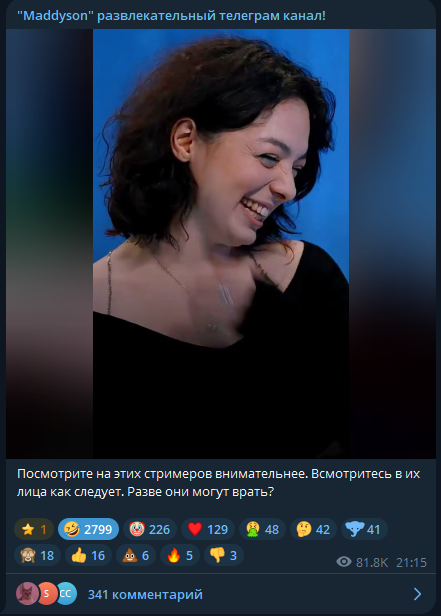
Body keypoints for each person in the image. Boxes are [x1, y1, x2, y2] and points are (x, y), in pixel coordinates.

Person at [93, 36, 348, 458]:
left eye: (297, 168)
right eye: (269, 158)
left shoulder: (312, 280)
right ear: (186, 141)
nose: (287, 188)